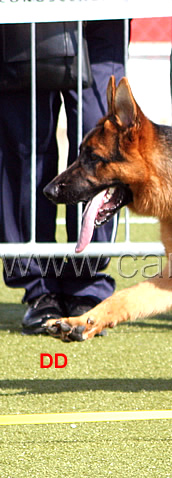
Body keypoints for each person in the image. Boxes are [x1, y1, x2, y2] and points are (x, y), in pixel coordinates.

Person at [0, 21, 125, 335]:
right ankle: (38, 288)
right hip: (26, 13)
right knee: (24, 145)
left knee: (101, 143)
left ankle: (88, 283)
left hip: (101, 15)